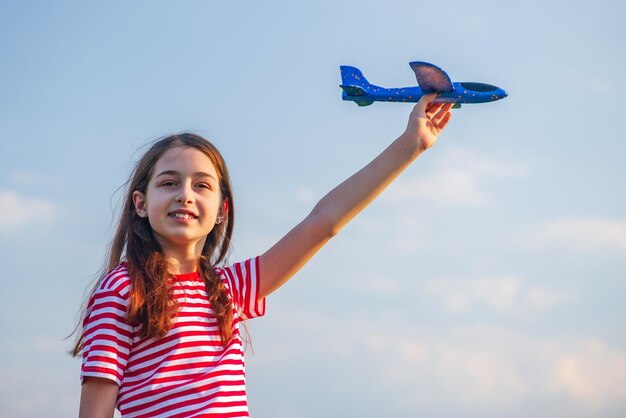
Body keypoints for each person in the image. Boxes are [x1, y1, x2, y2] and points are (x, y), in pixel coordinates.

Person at [71, 94, 453, 417]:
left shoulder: (229, 288)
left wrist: (411, 144)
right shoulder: (122, 289)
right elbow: (96, 407)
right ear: (140, 203)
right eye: (168, 182)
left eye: (201, 185)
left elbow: (324, 221)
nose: (184, 194)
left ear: (222, 209)